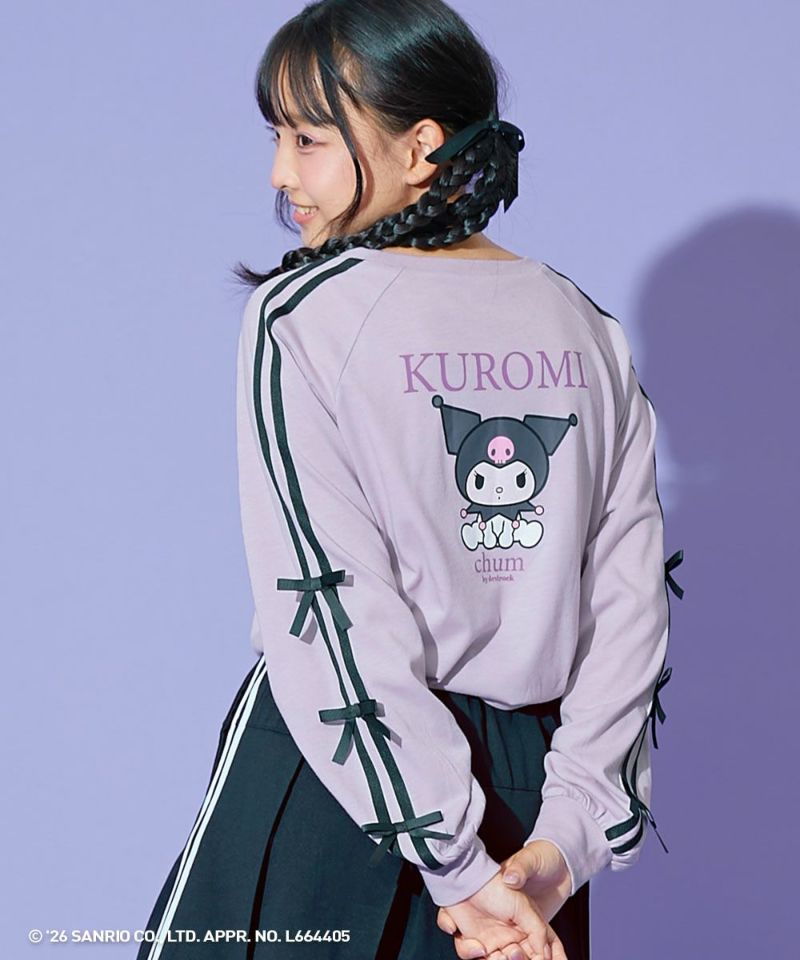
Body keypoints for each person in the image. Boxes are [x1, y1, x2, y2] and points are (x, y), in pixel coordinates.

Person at [136, 1, 684, 959]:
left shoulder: (303, 317)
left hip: (341, 788)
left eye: (309, 138)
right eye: (276, 137)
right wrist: (562, 846)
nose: (279, 173)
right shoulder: (585, 325)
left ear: (421, 145)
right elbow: (631, 614)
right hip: (529, 807)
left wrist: (460, 866)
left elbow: (330, 607)